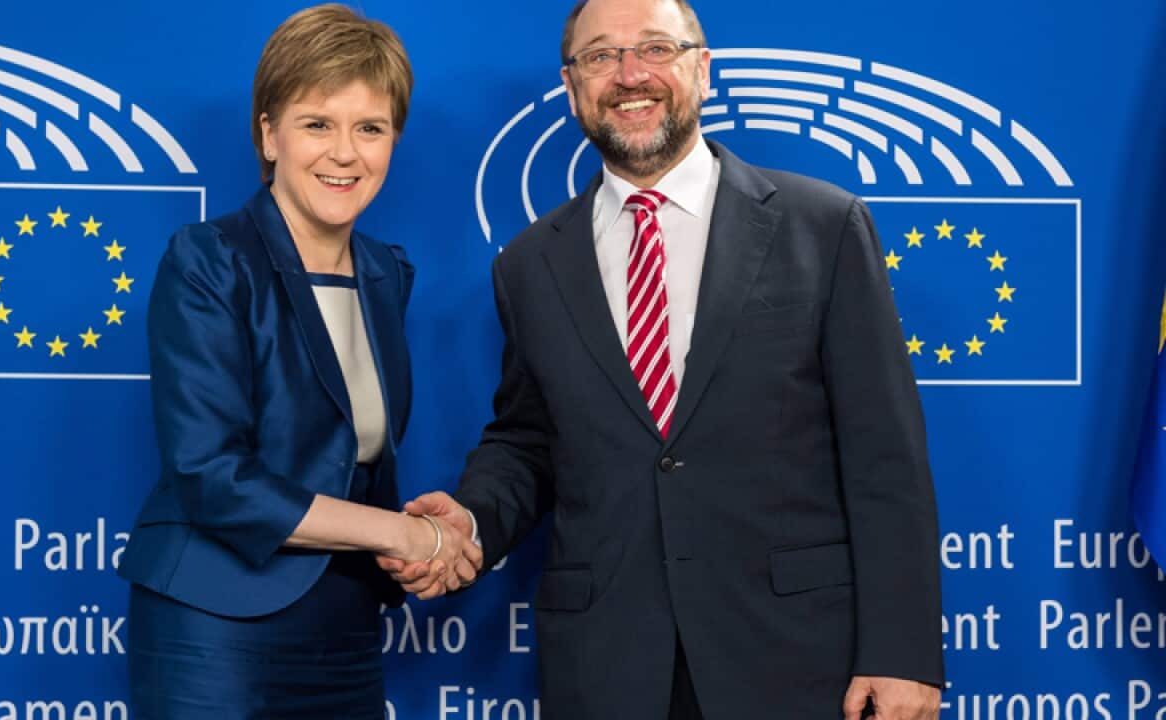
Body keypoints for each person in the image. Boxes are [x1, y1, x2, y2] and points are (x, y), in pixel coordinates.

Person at [381, 0, 943, 717]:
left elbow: (885, 456)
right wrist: (470, 524)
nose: (630, 74)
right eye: (601, 56)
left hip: (794, 660)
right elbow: (530, 441)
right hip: (609, 666)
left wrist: (901, 655)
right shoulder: (528, 265)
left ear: (701, 70)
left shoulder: (823, 227)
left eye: (654, 48)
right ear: (573, 85)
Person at [117, 5, 481, 718]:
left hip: (344, 627)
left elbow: (352, 456)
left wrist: (441, 539)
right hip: (213, 625)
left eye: (370, 128)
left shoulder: (386, 273)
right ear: (269, 134)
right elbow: (211, 475)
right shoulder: (210, 260)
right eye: (318, 123)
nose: (345, 153)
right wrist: (404, 534)